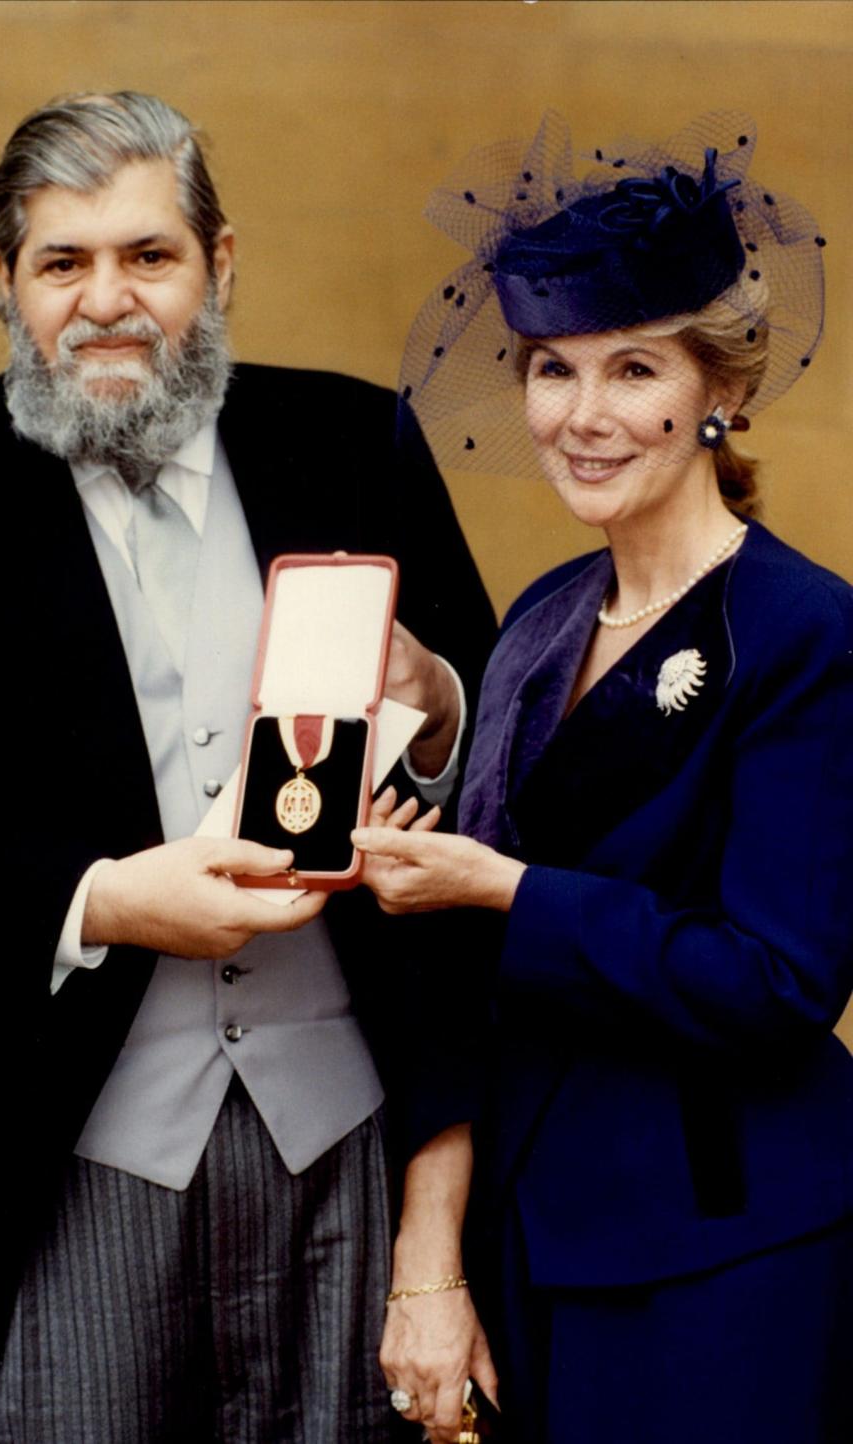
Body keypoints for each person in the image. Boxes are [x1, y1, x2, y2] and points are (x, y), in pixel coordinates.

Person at [0, 91, 498, 1443]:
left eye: (148, 256)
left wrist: (442, 701)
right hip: (62, 1146)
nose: (107, 300)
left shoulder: (357, 440)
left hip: (343, 1136)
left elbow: (492, 740)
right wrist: (100, 902)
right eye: (64, 263)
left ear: (220, 265)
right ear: (8, 283)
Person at [353, 112, 853, 1443]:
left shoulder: (806, 632)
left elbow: (778, 983)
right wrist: (433, 1261)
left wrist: (508, 888)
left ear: (719, 390)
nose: (581, 417)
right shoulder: (541, 616)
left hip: (719, 1246)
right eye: (550, 370)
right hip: (530, 1231)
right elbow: (463, 971)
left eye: (634, 370)